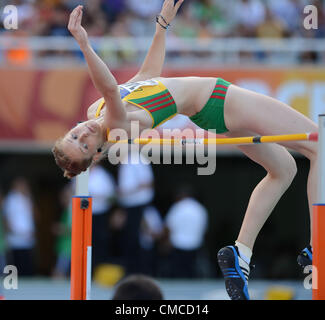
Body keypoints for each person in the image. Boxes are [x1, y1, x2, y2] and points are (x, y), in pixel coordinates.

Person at [52, 1, 318, 300]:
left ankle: (240, 254)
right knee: (319, 145)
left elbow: (147, 74)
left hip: (212, 111)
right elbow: (111, 88)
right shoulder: (115, 126)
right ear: (97, 153)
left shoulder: (95, 109)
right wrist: (84, 43)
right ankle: (317, 247)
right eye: (84, 145)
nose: (83, 133)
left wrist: (161, 27)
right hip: (219, 99)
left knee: (284, 170)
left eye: (74, 135)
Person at [117, 149, 155, 274]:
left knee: (139, 240)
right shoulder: (126, 161)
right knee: (129, 240)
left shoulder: (137, 160)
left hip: (138, 205)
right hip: (129, 205)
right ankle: (131, 271)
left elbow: (147, 183)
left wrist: (126, 192)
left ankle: (141, 272)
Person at [165, 185, 208, 278]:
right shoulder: (200, 209)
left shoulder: (177, 207)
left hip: (178, 244)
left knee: (178, 271)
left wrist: (166, 242)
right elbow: (203, 228)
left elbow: (169, 226)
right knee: (191, 270)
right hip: (195, 244)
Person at [2, 177, 36, 277]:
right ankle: (17, 279)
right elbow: (6, 216)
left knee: (27, 259)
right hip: (15, 235)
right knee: (16, 259)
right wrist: (9, 229)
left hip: (27, 235)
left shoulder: (27, 198)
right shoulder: (10, 199)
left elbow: (33, 216)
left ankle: (27, 278)